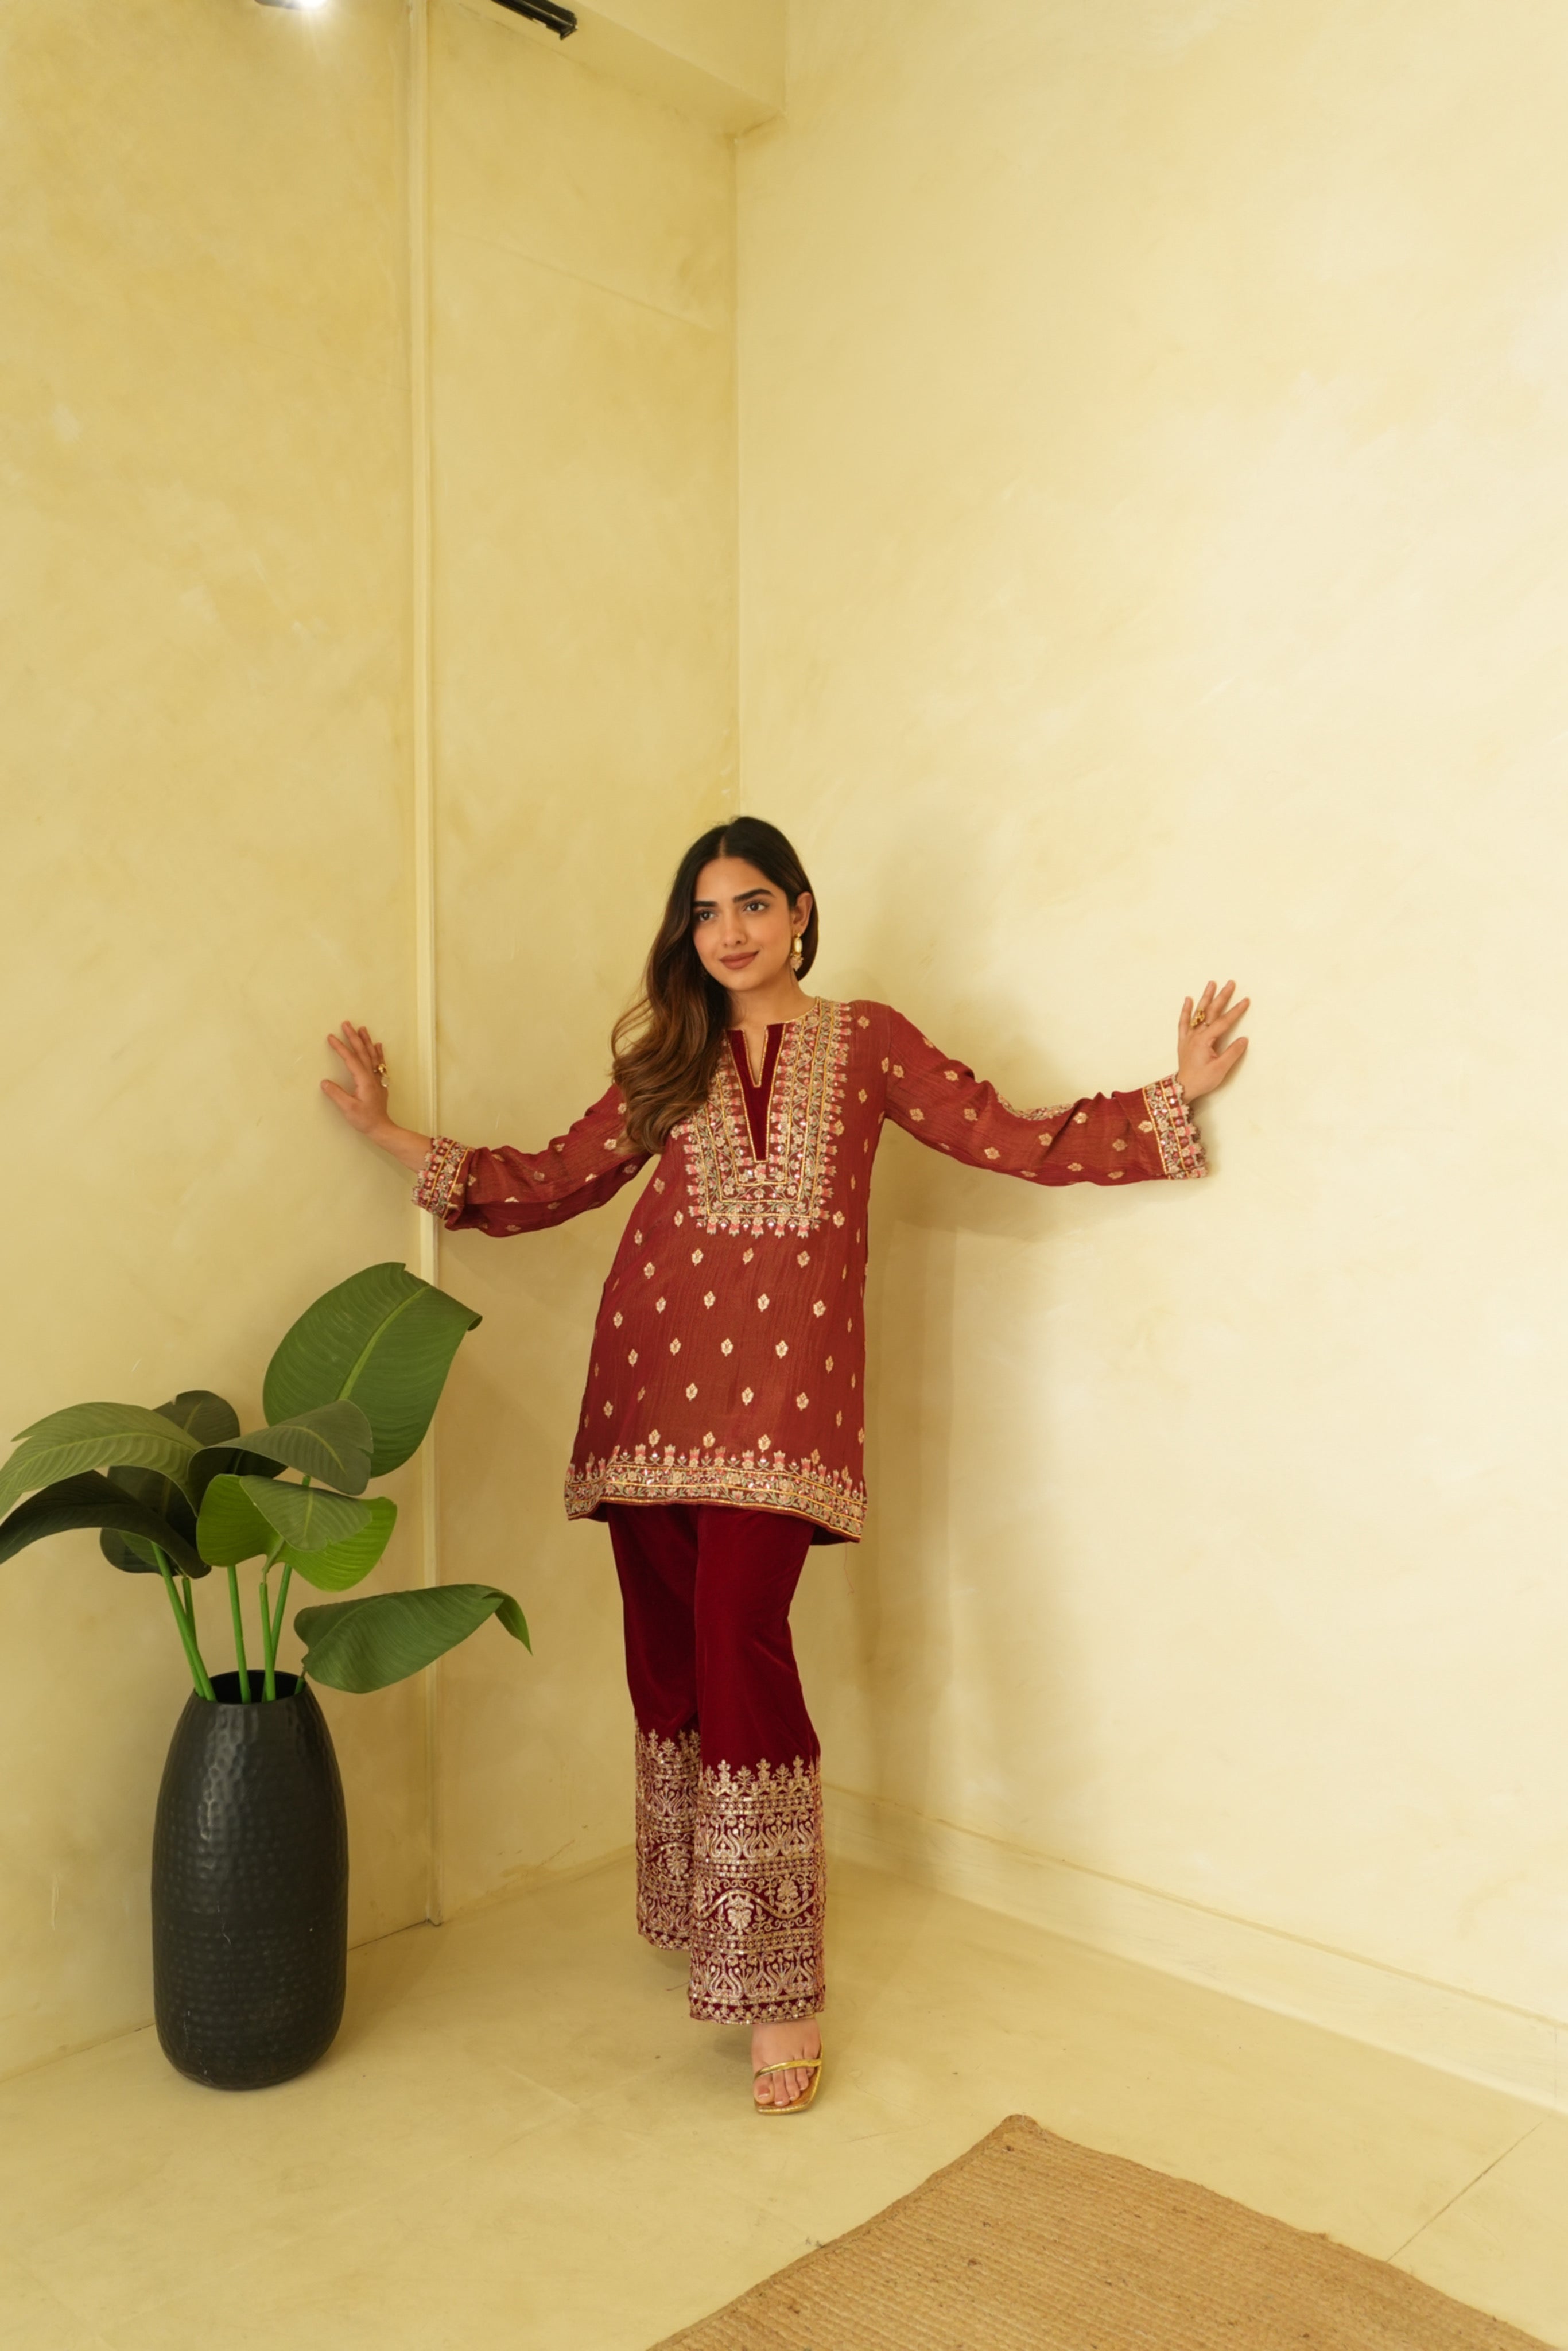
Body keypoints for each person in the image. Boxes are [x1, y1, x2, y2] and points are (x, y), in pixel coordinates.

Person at [321, 816, 1249, 2113]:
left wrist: (1170, 1095)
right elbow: (547, 1180)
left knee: (738, 1637)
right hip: (648, 1388)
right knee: (668, 1657)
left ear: (802, 911)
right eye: (705, 913)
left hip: (784, 1408)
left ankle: (779, 1991)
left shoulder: (868, 1041)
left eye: (753, 903)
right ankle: (703, 1910)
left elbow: (1002, 1132)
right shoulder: (667, 1058)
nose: (731, 932)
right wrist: (386, 1133)